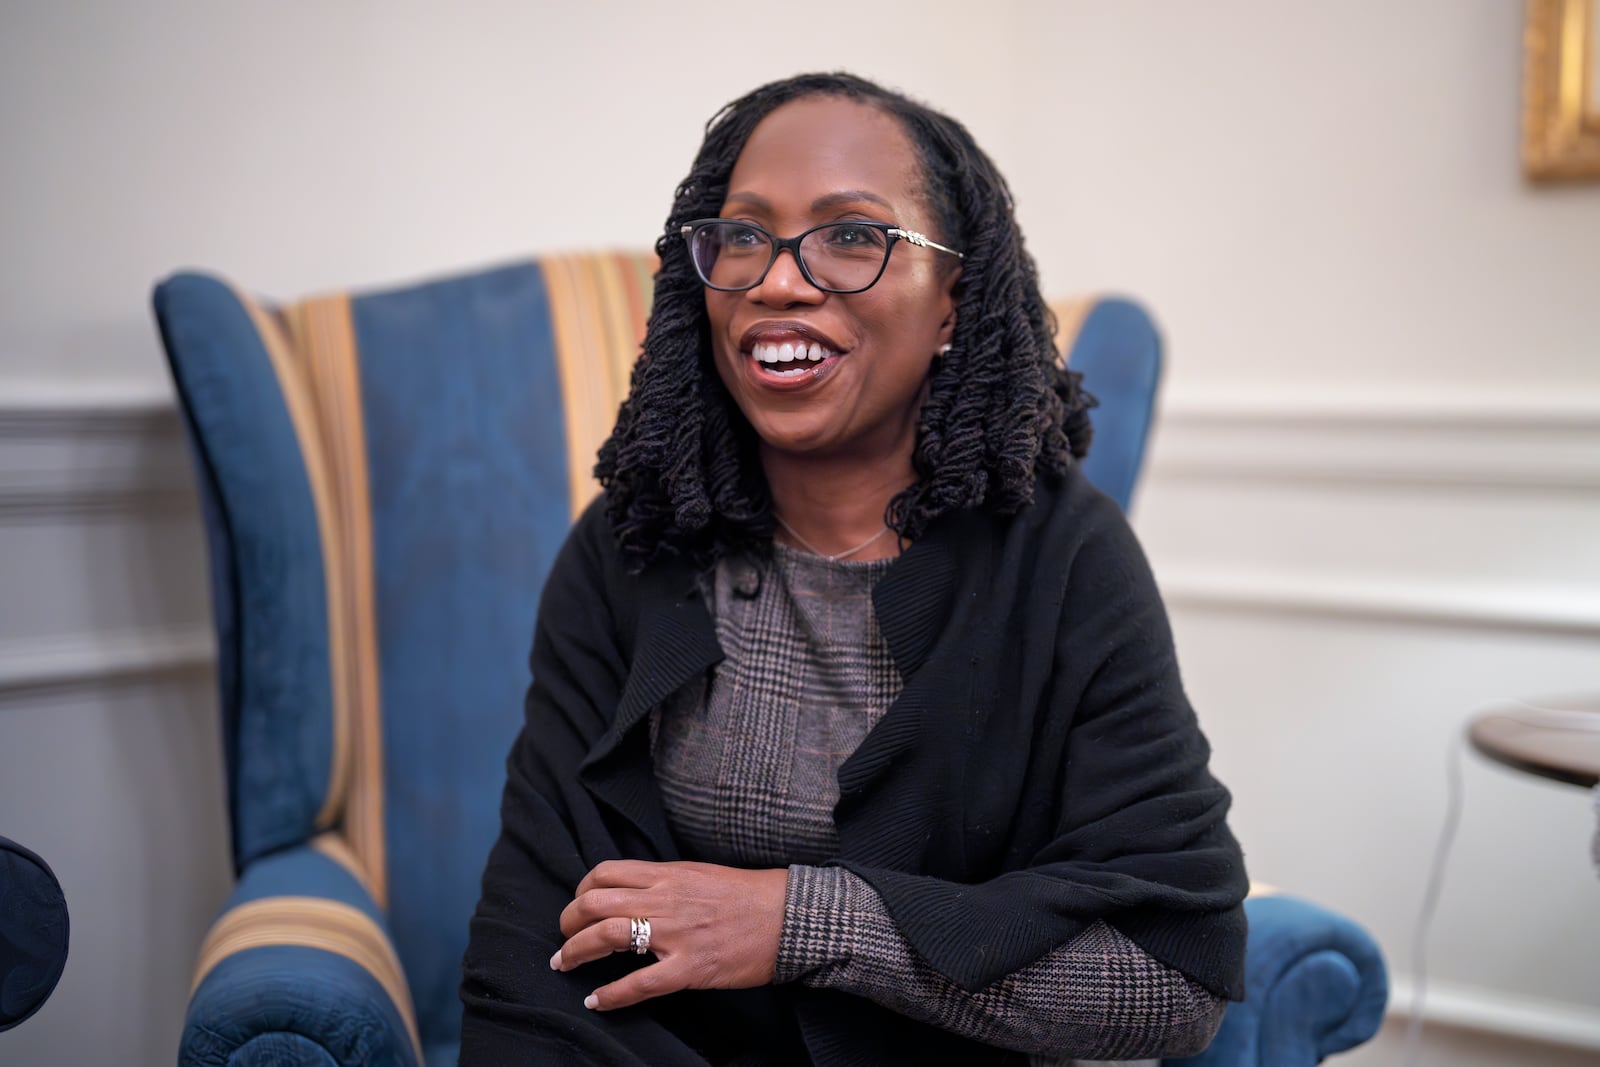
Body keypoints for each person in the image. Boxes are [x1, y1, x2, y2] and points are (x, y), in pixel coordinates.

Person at [459, 72, 1248, 1066]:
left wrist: (800, 924)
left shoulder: (1063, 563)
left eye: (851, 236)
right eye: (740, 235)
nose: (778, 280)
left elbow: (1168, 976)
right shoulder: (632, 546)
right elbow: (532, 948)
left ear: (952, 303)